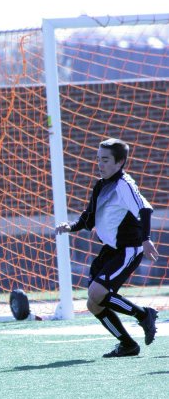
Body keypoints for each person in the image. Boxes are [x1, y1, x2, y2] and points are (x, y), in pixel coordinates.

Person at [55, 137, 159, 357]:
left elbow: (145, 210)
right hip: (110, 250)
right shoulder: (102, 184)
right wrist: (71, 226)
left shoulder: (125, 185)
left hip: (129, 250)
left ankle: (144, 315)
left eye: (105, 160)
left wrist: (146, 239)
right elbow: (90, 216)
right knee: (94, 303)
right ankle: (128, 345)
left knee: (98, 293)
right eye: (98, 159)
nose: (99, 164)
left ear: (119, 162)